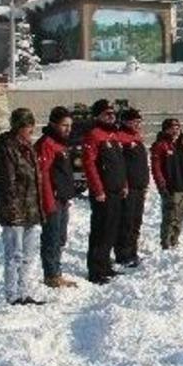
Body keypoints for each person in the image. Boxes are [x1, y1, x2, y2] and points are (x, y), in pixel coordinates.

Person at [0, 108, 46, 306]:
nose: (31, 129)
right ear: (18, 126)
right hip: (14, 211)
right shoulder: (6, 149)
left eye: (31, 124)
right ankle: (12, 294)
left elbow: (35, 180)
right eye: (27, 125)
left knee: (28, 255)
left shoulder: (28, 147)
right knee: (14, 254)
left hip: (31, 209)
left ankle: (24, 291)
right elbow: (7, 183)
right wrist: (12, 211)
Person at [82, 99, 128, 285]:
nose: (111, 116)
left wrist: (124, 184)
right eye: (106, 113)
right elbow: (89, 164)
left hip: (116, 190)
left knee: (112, 230)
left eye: (112, 113)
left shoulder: (113, 135)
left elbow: (120, 164)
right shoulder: (94, 135)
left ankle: (105, 264)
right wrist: (97, 189)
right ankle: (96, 270)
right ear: (97, 115)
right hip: (103, 192)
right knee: (101, 231)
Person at [35, 106, 78, 288]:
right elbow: (43, 175)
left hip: (62, 198)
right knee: (52, 238)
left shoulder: (61, 144)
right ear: (53, 124)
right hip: (51, 200)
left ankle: (56, 270)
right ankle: (51, 274)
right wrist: (48, 202)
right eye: (64, 125)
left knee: (60, 237)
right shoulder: (46, 144)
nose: (68, 129)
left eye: (70, 125)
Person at [150, 118, 183, 249]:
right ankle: (166, 243)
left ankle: (175, 240)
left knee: (180, 216)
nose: (176, 130)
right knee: (170, 217)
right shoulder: (160, 145)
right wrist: (161, 185)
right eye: (172, 127)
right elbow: (156, 168)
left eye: (178, 127)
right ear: (165, 129)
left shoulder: (181, 144)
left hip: (182, 186)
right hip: (170, 187)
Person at [115, 107, 149, 268]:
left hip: (139, 185)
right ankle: (123, 254)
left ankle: (132, 251)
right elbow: (120, 165)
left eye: (138, 121)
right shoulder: (120, 137)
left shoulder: (136, 136)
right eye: (134, 121)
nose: (137, 124)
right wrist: (124, 184)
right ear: (125, 121)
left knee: (136, 221)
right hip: (128, 187)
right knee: (126, 222)